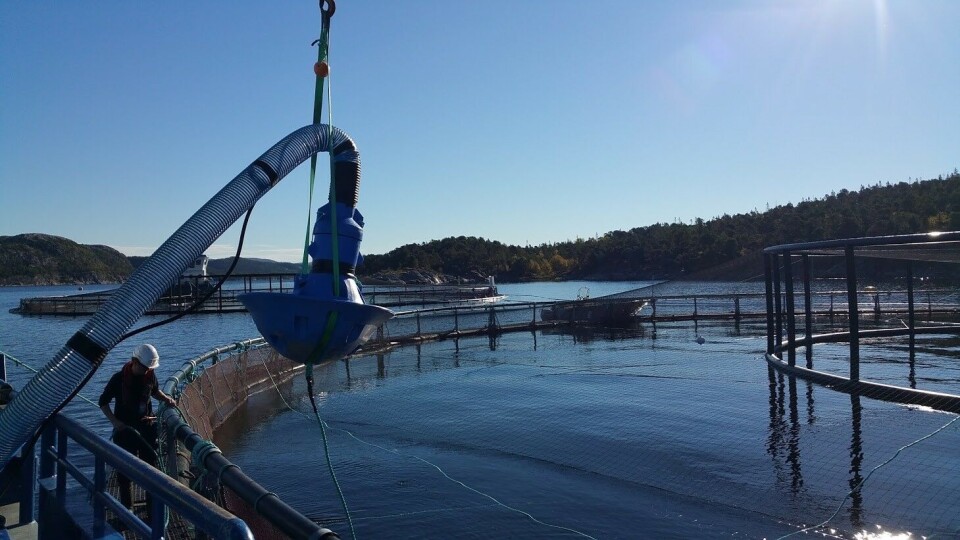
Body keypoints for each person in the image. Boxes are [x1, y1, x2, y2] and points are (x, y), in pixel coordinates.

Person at [98, 343, 176, 510]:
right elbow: (103, 402)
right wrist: (115, 422)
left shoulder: (150, 376)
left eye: (150, 368)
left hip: (147, 428)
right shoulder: (118, 379)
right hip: (125, 432)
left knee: (151, 470)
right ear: (134, 361)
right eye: (145, 367)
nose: (147, 370)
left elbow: (154, 392)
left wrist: (166, 399)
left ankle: (152, 509)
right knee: (125, 472)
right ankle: (128, 509)